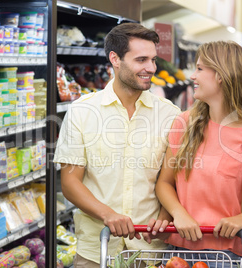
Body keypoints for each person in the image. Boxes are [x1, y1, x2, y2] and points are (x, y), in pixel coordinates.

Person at [147, 40, 242, 267]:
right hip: (178, 253)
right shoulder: (185, 124)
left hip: (230, 256)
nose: (193, 76)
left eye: (199, 69)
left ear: (220, 75)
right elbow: (165, 183)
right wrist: (178, 214)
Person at [53, 22, 181, 267]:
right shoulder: (82, 111)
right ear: (115, 59)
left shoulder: (170, 115)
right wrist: (107, 215)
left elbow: (172, 181)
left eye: (153, 60)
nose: (150, 68)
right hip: (96, 250)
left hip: (148, 251)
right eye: (141, 60)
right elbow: (70, 183)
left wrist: (165, 219)